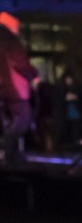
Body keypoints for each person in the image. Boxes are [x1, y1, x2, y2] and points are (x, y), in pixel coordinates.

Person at [0, 16, 39, 165]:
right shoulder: (10, 40)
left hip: (3, 91)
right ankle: (11, 153)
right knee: (22, 120)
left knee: (8, 122)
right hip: (15, 89)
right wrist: (33, 74)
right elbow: (20, 62)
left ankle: (10, 155)